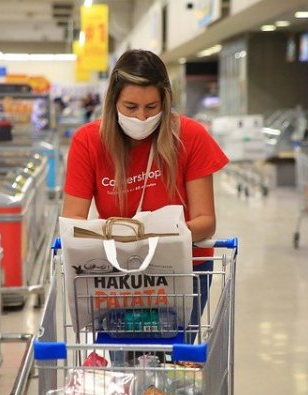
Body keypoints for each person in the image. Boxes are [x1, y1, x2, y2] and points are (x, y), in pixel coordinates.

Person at [62, 49, 229, 343]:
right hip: (115, 276)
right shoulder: (88, 141)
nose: (142, 117)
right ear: (113, 101)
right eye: (130, 107)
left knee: (175, 367)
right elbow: (73, 220)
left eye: (152, 106)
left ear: (165, 100)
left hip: (183, 273)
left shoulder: (190, 135)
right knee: (122, 364)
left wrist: (157, 237)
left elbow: (206, 222)